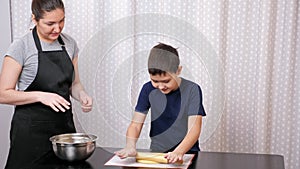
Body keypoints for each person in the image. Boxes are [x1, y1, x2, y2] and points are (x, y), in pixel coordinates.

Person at [0, 0, 93, 168]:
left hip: (63, 131)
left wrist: (82, 95)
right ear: (35, 19)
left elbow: (75, 84)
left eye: (61, 21)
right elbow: (3, 93)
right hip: (30, 134)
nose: (57, 29)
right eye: (50, 23)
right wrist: (41, 96)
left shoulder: (69, 44)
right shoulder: (21, 46)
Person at [115, 43, 206, 164]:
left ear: (178, 70)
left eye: (166, 81)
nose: (161, 86)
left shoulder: (192, 90)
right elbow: (136, 125)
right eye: (155, 81)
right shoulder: (147, 89)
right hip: (158, 153)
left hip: (187, 153)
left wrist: (179, 151)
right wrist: (130, 146)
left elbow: (194, 129)